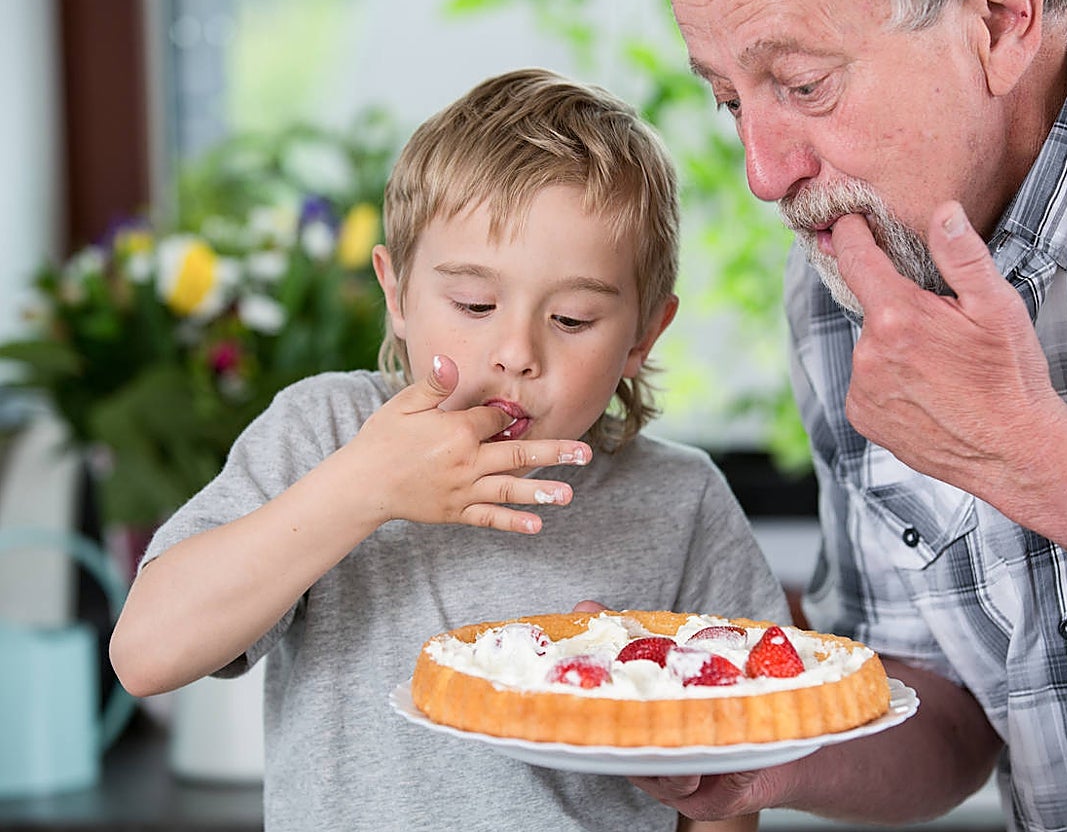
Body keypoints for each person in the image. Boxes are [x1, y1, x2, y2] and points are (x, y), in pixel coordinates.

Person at [109, 68, 788, 832]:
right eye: (474, 304)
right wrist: (364, 488)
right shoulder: (325, 435)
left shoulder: (681, 502)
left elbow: (734, 773)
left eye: (571, 319)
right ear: (397, 294)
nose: (516, 352)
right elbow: (146, 654)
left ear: (644, 335)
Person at [633, 0, 1067, 829]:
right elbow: (951, 708)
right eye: (729, 100)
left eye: (805, 84)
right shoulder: (853, 268)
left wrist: (1030, 455)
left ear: (1001, 20)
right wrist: (766, 752)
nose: (764, 175)